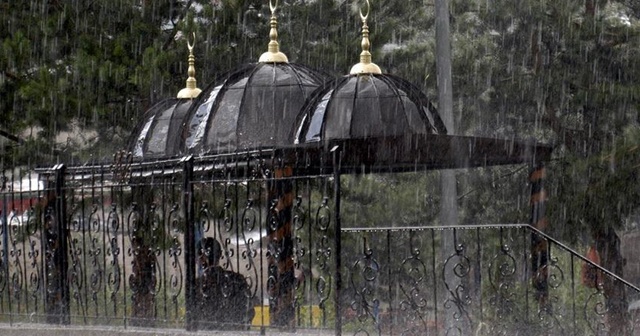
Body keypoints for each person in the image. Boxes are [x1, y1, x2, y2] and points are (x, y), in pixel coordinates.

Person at [195, 237, 255, 330]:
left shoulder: (197, 285)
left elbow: (194, 315)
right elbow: (249, 310)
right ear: (219, 255)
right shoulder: (237, 279)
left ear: (201, 258)